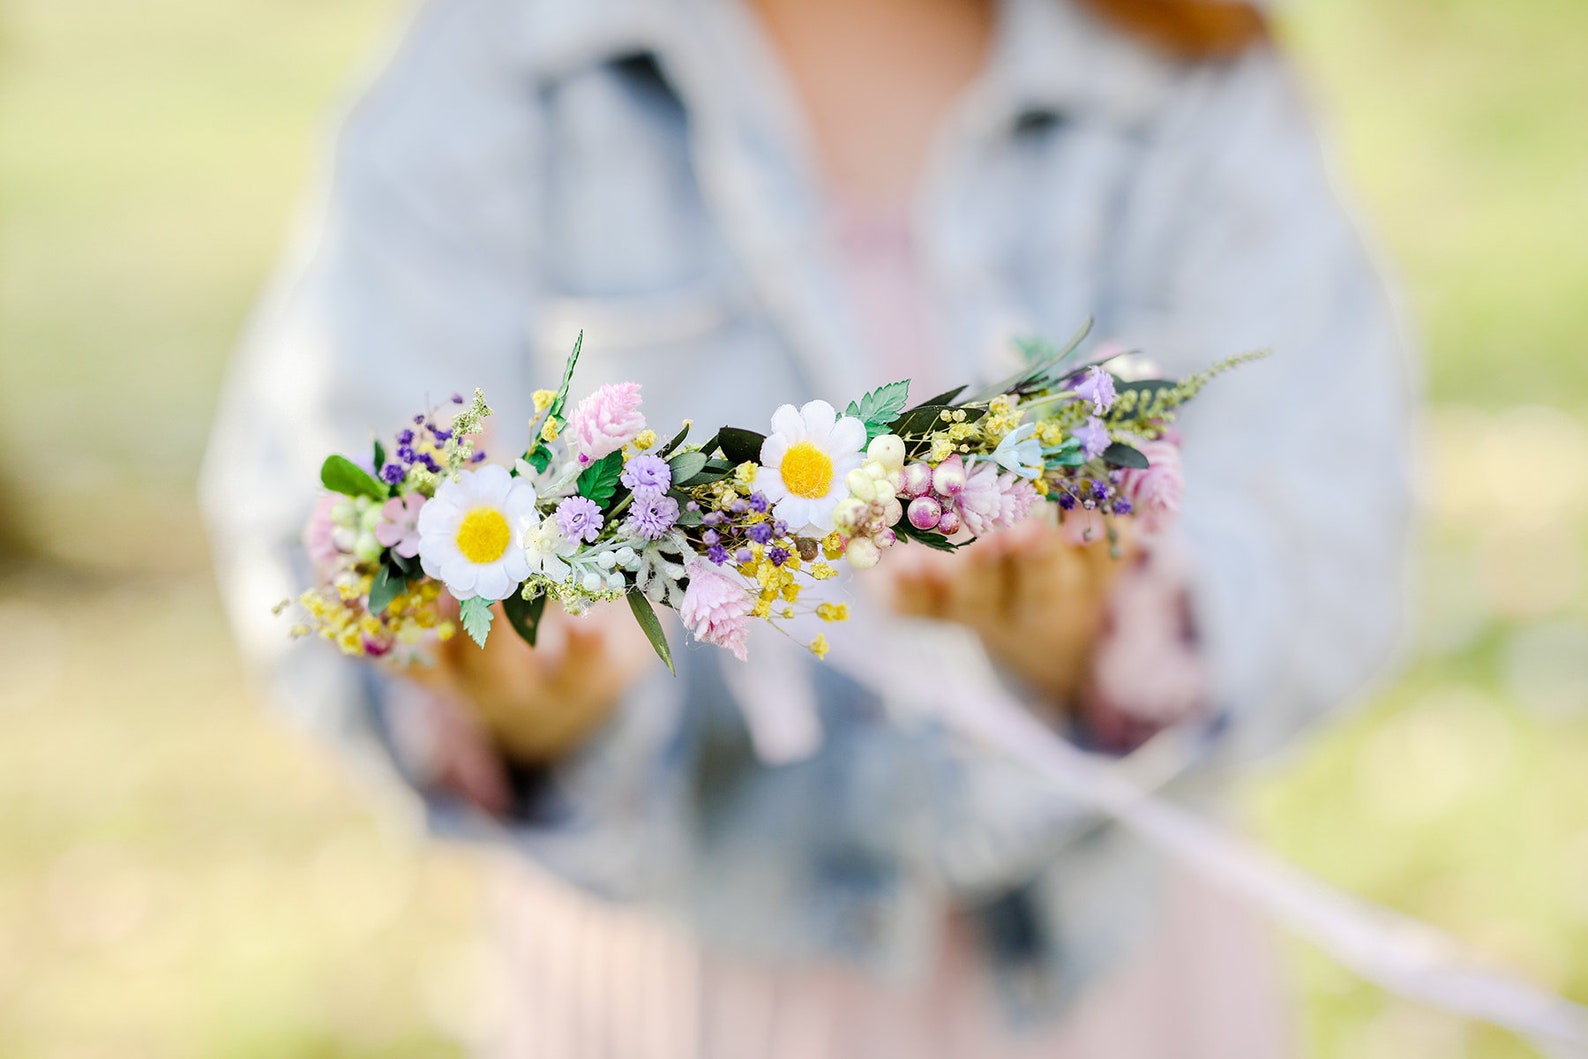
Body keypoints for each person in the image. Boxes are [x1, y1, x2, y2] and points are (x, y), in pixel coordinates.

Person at [201, 0, 1414, 1054]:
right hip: (674, 994)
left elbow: (1330, 506)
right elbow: (332, 505)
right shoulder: (504, 62)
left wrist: (1117, 640)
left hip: (1114, 986)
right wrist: (501, 706)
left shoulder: (1184, 63)